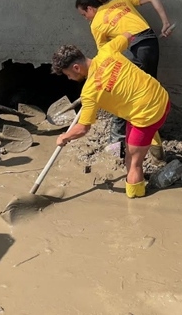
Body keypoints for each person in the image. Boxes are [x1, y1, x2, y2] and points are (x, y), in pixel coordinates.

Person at [52, 32, 170, 199]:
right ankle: (158, 154)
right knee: (141, 124)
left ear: (76, 68)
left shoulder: (89, 92)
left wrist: (64, 137)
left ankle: (136, 198)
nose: (69, 78)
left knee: (132, 162)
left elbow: (82, 128)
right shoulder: (107, 50)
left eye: (67, 74)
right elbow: (128, 36)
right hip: (162, 99)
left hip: (146, 116)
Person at [75, 0, 173, 160]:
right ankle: (155, 147)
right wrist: (165, 22)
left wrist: (94, 86)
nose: (86, 19)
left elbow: (104, 55)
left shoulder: (96, 24)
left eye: (84, 15)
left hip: (139, 48)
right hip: (151, 44)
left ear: (90, 9)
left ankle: (117, 143)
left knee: (124, 97)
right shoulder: (121, 0)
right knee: (142, 96)